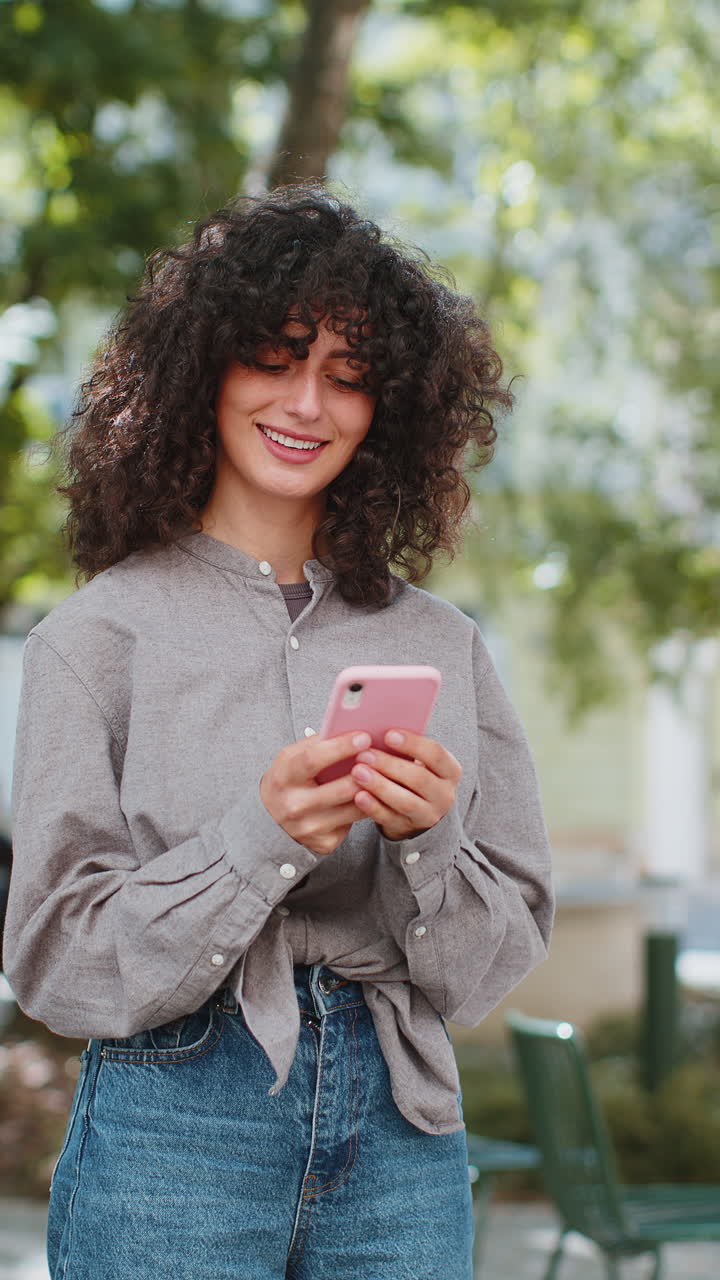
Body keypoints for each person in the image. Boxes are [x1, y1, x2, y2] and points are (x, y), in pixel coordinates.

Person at [5, 187, 553, 1280]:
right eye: (275, 357)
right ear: (201, 369)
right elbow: (52, 958)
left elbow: (497, 956)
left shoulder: (443, 644)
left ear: (388, 409)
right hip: (173, 1127)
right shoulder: (97, 636)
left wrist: (428, 837)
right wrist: (257, 841)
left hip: (403, 1133)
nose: (309, 402)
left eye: (349, 377)